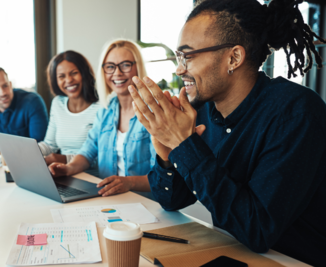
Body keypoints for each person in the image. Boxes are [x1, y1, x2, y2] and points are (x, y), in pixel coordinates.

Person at [128, 0, 326, 266]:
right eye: (178, 57)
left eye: (188, 56)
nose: (179, 69)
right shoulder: (202, 111)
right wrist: (166, 154)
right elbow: (171, 199)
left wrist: (184, 143)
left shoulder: (296, 114)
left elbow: (257, 229)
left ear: (233, 58)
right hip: (231, 252)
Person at [49, 39, 155, 198]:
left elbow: (163, 176)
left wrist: (129, 182)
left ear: (138, 67)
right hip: (109, 199)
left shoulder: (153, 112)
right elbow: (88, 150)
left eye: (125, 65)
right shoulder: (106, 110)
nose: (117, 73)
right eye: (110, 67)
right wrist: (69, 168)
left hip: (147, 204)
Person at [38, 51, 101, 175]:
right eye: (61, 76)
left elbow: (104, 157)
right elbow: (50, 145)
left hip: (93, 177)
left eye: (74, 73)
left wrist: (65, 159)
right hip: (63, 174)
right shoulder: (58, 103)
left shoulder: (101, 107)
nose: (69, 80)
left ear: (84, 73)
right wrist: (26, 152)